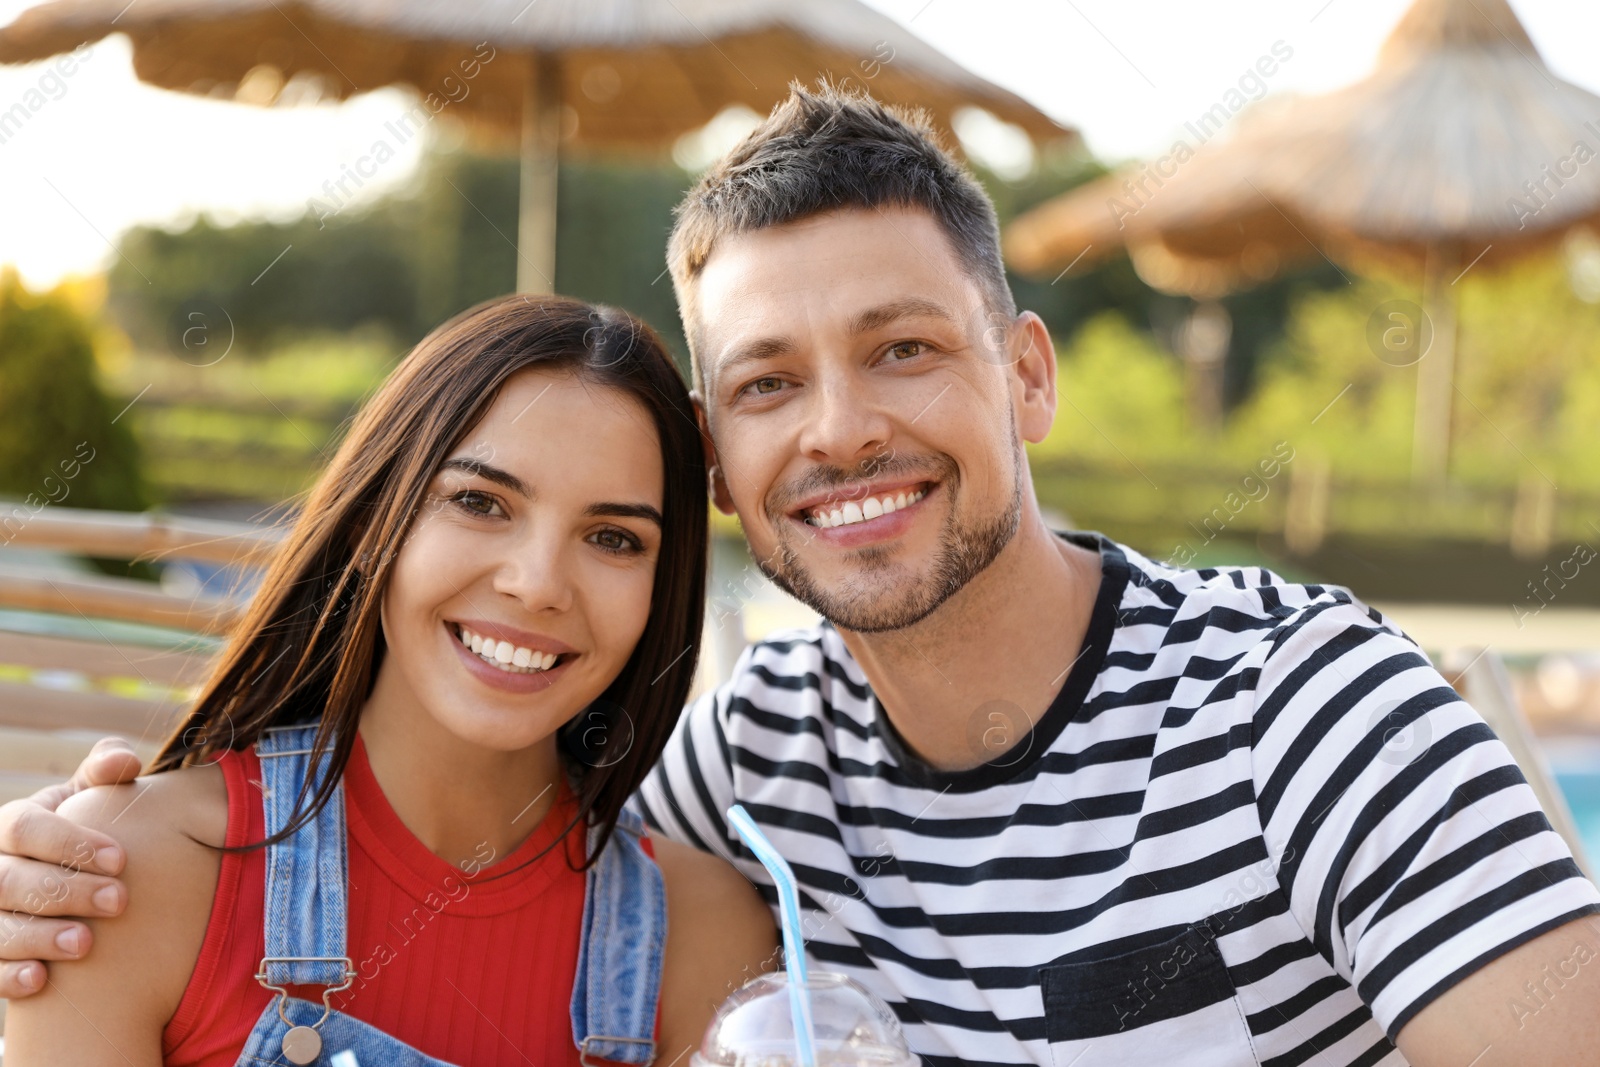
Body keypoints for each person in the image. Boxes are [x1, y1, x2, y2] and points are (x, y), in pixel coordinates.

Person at [5, 83, 1600, 1066]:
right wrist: (70, 851)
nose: (841, 430)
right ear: (717, 453)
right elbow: (460, 846)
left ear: (1026, 376)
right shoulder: (749, 768)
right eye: (767, 381)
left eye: (904, 350)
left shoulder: (1303, 706)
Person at [0, 295, 776, 1065]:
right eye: (479, 501)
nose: (538, 583)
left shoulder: (707, 938)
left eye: (613, 537)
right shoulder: (122, 873)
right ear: (378, 522)